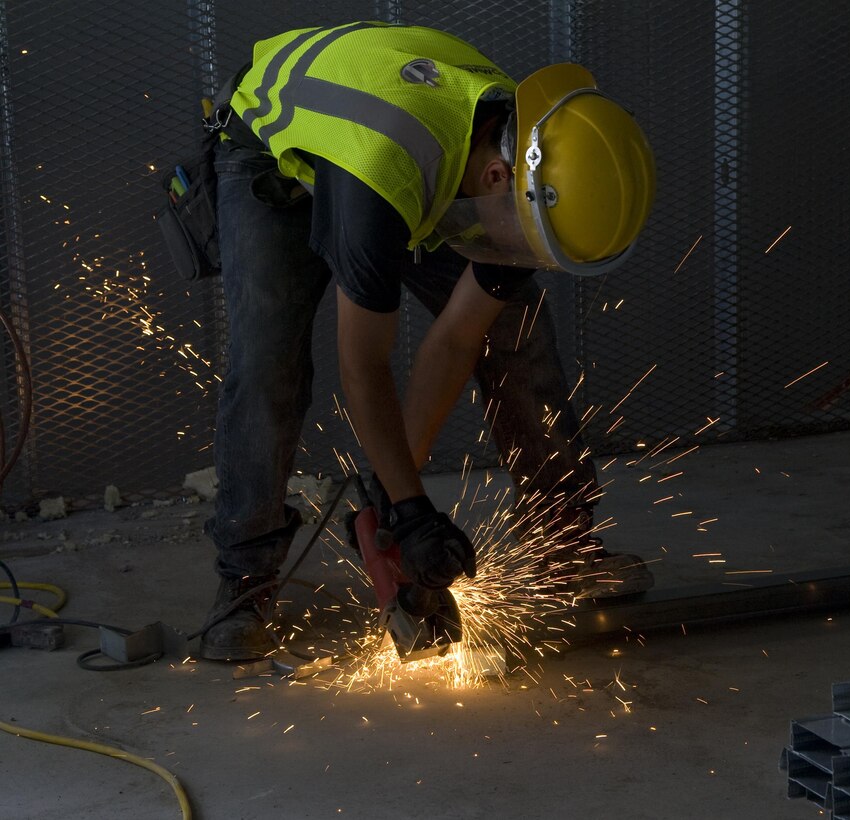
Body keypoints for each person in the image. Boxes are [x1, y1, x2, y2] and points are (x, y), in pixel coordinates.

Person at [198, 21, 657, 661]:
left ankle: (562, 545)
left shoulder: (527, 150)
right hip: (274, 153)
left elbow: (452, 342)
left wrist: (394, 506)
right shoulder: (383, 178)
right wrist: (415, 514)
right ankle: (245, 578)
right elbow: (362, 365)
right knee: (268, 364)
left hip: (408, 153)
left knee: (513, 329)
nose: (519, 258)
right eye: (526, 239)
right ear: (499, 178)